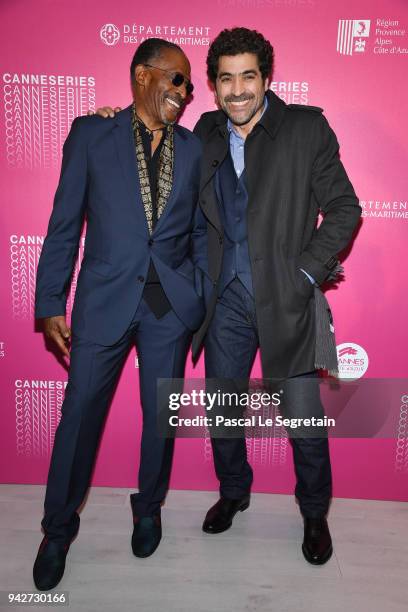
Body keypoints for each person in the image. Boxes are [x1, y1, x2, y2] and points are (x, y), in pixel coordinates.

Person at [93, 27, 361, 565]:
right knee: (223, 413)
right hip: (225, 303)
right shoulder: (205, 132)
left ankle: (313, 513)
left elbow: (345, 210)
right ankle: (234, 491)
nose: (238, 90)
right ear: (213, 87)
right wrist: (113, 127)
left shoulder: (307, 128)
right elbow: (153, 149)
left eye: (248, 77)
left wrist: (305, 273)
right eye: (226, 79)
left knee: (304, 421)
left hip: (287, 301)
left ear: (265, 78)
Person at [33, 38, 204, 591]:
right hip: (106, 296)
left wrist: (193, 296)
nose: (184, 92)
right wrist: (50, 302)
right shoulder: (91, 134)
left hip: (165, 303)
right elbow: (64, 224)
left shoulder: (194, 148)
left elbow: (201, 231)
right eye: (175, 80)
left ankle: (148, 508)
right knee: (79, 415)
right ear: (140, 76)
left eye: (188, 85)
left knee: (161, 416)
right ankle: (58, 531)